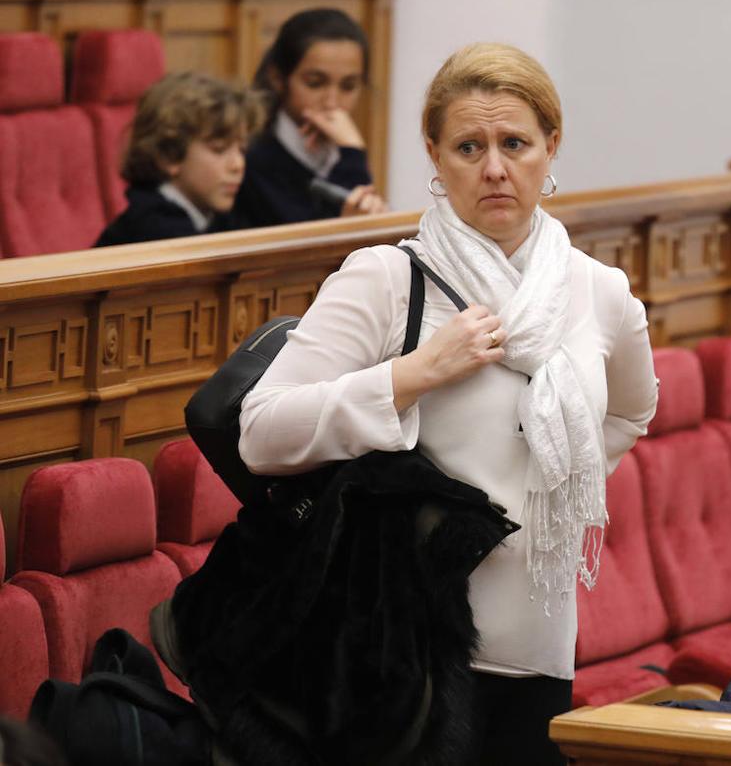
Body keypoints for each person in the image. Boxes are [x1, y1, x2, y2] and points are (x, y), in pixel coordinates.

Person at [237, 42, 659, 763]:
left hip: (539, 646)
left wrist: (548, 487)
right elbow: (262, 431)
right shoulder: (386, 279)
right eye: (469, 146)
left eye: (514, 143)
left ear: (550, 146)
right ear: (434, 155)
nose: (494, 168)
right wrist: (413, 374)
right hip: (399, 646)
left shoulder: (601, 293)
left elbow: (631, 414)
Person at [234, 8, 388, 227]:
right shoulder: (253, 154)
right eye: (315, 83)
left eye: (348, 86)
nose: (332, 102)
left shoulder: (342, 147)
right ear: (278, 78)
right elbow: (312, 241)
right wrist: (352, 154)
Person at [95, 72, 260, 247]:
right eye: (218, 150)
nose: (238, 164)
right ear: (169, 155)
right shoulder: (154, 228)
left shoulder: (216, 214)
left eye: (242, 149)